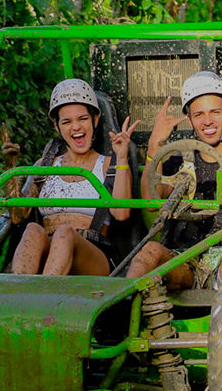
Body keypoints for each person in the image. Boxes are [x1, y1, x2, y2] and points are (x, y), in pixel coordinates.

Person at [125, 71, 222, 288]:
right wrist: (154, 145)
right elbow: (152, 200)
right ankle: (124, 304)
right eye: (199, 115)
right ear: (189, 119)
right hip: (184, 260)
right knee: (149, 251)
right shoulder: (180, 162)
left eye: (214, 112)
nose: (207, 121)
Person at [8, 78, 136, 276]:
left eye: (82, 119)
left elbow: (121, 213)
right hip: (49, 250)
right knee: (33, 229)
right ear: (57, 127)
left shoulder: (109, 165)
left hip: (93, 254)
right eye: (67, 122)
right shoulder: (45, 166)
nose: (76, 127)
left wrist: (121, 156)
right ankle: (19, 297)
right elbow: (18, 217)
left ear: (95, 119)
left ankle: (45, 299)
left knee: (65, 233)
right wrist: (11, 167)